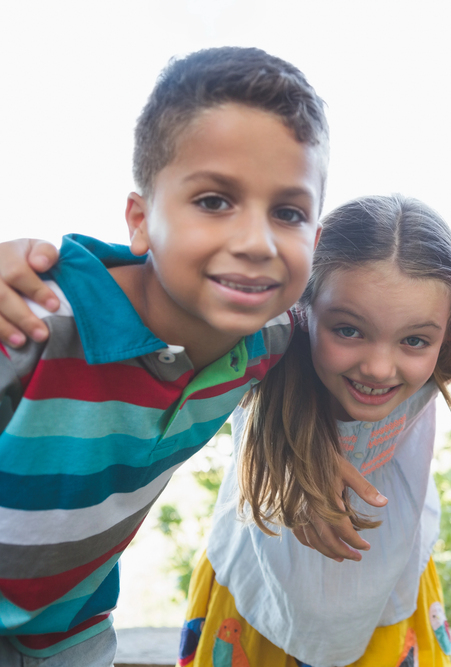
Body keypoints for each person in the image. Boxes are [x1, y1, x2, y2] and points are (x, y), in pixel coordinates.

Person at [0, 47, 330, 664]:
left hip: (69, 630)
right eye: (214, 201)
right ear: (141, 219)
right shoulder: (34, 320)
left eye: (288, 212)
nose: (256, 243)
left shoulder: (274, 338)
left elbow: (413, 310)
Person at [176, 194, 451, 667]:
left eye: (414, 340)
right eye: (350, 331)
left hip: (388, 601)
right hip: (254, 605)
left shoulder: (449, 353)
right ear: (303, 309)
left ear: (447, 332)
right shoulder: (260, 352)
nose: (379, 368)